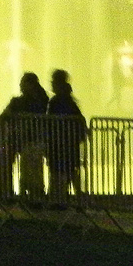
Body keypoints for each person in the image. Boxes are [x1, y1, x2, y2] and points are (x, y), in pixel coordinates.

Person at [0, 73, 48, 199]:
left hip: (13, 139)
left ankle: (7, 193)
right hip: (22, 139)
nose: (20, 86)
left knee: (7, 167)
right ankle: (30, 192)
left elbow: (5, 116)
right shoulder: (42, 100)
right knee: (30, 167)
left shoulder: (20, 102)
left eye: (23, 83)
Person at [46, 70, 86, 201]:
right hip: (70, 141)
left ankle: (59, 197)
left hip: (59, 142)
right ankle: (78, 196)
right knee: (70, 169)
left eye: (53, 81)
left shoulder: (56, 101)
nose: (51, 84)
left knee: (59, 170)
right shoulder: (69, 100)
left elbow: (50, 122)